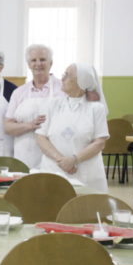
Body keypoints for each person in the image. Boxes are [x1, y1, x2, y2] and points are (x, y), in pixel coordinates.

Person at [36, 63, 109, 192]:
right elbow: (41, 137)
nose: (62, 78)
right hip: (54, 169)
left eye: (67, 75)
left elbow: (100, 142)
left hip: (85, 172)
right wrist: (62, 160)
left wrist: (74, 159)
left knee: (85, 209)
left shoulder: (96, 108)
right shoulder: (52, 104)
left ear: (81, 82)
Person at [3, 44, 65, 168]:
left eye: (42, 59)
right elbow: (8, 127)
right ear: (28, 64)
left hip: (56, 153)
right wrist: (30, 125)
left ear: (51, 63)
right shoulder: (19, 92)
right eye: (33, 60)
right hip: (26, 154)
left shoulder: (63, 88)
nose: (38, 64)